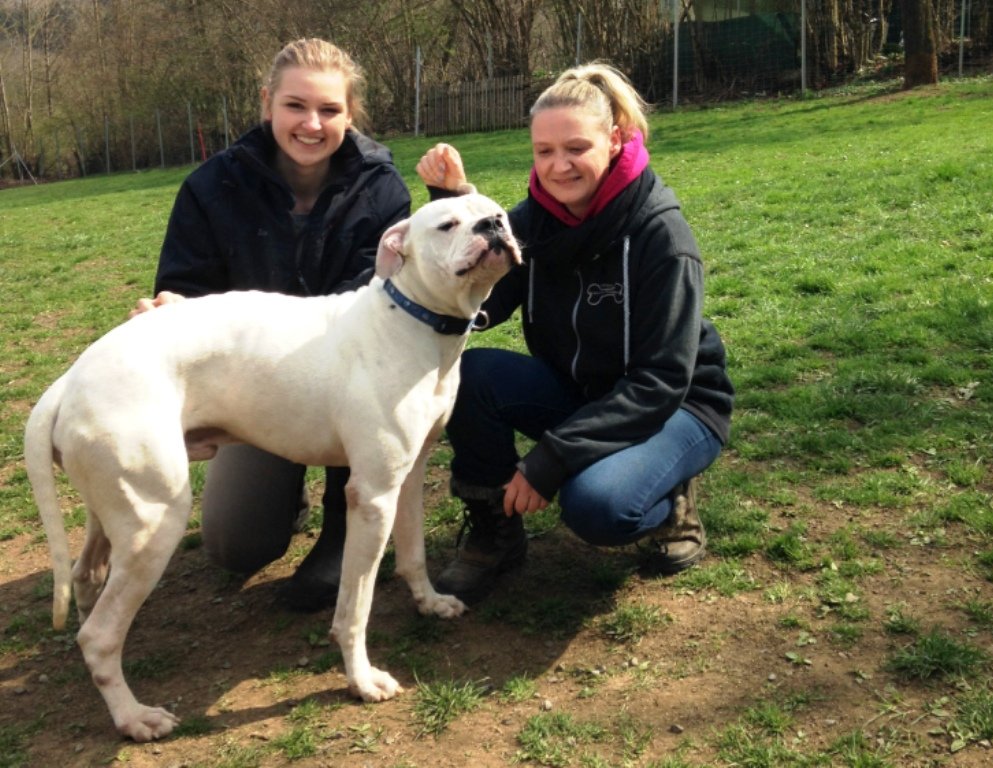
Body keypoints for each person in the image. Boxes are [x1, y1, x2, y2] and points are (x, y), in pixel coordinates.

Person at [416, 63, 734, 606]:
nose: (559, 167)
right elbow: (480, 306)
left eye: (576, 148)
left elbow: (661, 380)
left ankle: (672, 498)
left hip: (677, 405)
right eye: (544, 151)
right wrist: (449, 205)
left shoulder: (661, 236)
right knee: (470, 375)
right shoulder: (531, 222)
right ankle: (495, 531)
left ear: (614, 140)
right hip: (581, 391)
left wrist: (552, 459)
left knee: (597, 507)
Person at [131, 38, 411, 611]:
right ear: (267, 104)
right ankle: (285, 494)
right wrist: (168, 306)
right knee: (236, 546)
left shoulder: (383, 189)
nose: (312, 124)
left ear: (349, 114)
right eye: (295, 106)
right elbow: (188, 289)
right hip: (256, 387)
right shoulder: (211, 186)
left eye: (330, 110)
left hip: (353, 377)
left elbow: (379, 301)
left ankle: (343, 527)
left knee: (364, 412)